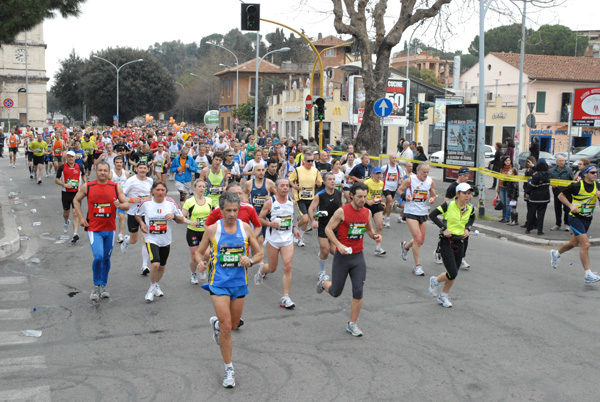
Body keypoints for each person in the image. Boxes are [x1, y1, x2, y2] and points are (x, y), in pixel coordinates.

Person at [196, 192, 264, 388]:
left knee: (233, 325)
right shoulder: (212, 230)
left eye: (235, 210)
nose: (233, 214)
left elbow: (259, 253)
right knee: (227, 328)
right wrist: (200, 263)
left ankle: (217, 324)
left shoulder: (245, 228)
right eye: (228, 211)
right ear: (221, 210)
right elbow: (200, 252)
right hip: (218, 283)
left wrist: (250, 260)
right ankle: (229, 369)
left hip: (239, 284)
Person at [316, 182, 381, 337]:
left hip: (358, 257)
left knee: (358, 290)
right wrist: (338, 244)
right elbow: (328, 229)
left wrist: (375, 236)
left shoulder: (367, 212)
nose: (362, 200)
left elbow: (369, 231)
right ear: (351, 195)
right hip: (342, 257)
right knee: (335, 292)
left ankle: (352, 324)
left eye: (365, 197)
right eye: (359, 196)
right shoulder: (342, 211)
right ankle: (324, 283)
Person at [72, 161, 130, 300]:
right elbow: (75, 200)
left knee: (106, 258)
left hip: (110, 229)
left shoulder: (116, 187)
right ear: (96, 171)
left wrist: (119, 204)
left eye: (105, 170)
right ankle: (96, 285)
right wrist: (81, 218)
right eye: (100, 170)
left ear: (109, 172)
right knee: (98, 257)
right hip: (94, 229)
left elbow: (127, 205)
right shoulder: (88, 186)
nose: (102, 173)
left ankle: (103, 285)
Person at [136, 182, 188, 302]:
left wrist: (173, 217)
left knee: (162, 266)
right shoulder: (146, 203)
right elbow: (137, 215)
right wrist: (142, 224)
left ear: (166, 192)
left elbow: (180, 219)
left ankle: (155, 285)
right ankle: (152, 287)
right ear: (152, 191)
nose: (160, 192)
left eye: (162, 190)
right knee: (155, 264)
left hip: (166, 239)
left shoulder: (170, 203)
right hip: (151, 238)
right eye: (158, 190)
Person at [254, 178, 301, 308]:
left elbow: (290, 219)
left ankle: (285, 297)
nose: (285, 188)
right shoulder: (270, 202)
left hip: (287, 239)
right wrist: (269, 223)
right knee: (272, 268)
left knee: (287, 266)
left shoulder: (292, 202)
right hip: (273, 240)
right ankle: (262, 271)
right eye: (282, 186)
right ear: (277, 188)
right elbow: (259, 218)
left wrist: (295, 228)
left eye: (287, 186)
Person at [428, 183, 475, 308]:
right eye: (465, 193)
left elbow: (472, 218)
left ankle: (443, 295)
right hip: (446, 241)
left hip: (460, 242)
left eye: (469, 193)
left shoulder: (470, 208)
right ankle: (435, 281)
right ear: (458, 194)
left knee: (454, 272)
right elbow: (432, 215)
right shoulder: (448, 205)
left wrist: (467, 229)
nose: (467, 196)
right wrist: (444, 228)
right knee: (452, 272)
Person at [550, 165, 600, 284]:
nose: (595, 174)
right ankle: (588, 274)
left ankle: (555, 254)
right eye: (592, 173)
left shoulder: (597, 186)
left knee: (573, 243)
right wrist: (571, 206)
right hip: (575, 218)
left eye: (596, 173)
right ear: (585, 175)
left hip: (587, 219)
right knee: (585, 244)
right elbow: (560, 196)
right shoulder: (576, 185)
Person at [397, 162, 437, 276]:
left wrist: (432, 199)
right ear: (418, 171)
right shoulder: (410, 180)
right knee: (417, 238)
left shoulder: (430, 181)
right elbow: (400, 190)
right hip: (411, 212)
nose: (425, 174)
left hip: (423, 212)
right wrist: (405, 196)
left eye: (427, 172)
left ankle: (405, 246)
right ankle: (417, 266)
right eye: (423, 172)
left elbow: (433, 194)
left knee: (420, 240)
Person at [434, 167, 471, 267]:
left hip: (461, 216)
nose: (466, 178)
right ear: (459, 175)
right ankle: (438, 251)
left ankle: (462, 257)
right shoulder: (453, 187)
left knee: (465, 236)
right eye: (464, 176)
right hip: (450, 216)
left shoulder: (467, 187)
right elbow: (446, 201)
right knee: (446, 235)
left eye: (468, 176)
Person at [308, 172, 343, 279]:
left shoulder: (339, 193)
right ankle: (322, 272)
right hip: (323, 225)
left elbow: (343, 207)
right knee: (325, 250)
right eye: (330, 179)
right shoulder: (320, 195)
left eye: (333, 179)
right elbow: (311, 208)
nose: (332, 181)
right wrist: (313, 220)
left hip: (335, 226)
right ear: (324, 182)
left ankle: (337, 270)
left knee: (334, 251)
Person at [121, 163, 154, 275]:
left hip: (146, 214)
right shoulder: (131, 180)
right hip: (133, 213)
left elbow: (152, 195)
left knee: (145, 238)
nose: (142, 170)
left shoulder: (150, 181)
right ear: (136, 169)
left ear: (147, 170)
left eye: (145, 168)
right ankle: (126, 240)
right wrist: (132, 200)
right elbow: (121, 195)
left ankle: (144, 265)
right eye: (140, 168)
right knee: (134, 240)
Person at [288, 149, 323, 247]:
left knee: (306, 220)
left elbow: (320, 182)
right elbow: (290, 180)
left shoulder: (315, 171)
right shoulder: (298, 170)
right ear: (304, 161)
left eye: (312, 161)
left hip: (311, 198)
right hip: (301, 198)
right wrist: (294, 187)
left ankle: (299, 237)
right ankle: (294, 229)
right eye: (309, 161)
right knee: (305, 219)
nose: (311, 163)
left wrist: (319, 183)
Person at [182, 179, 213, 285]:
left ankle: (203, 268)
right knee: (195, 256)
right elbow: (182, 217)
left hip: (206, 232)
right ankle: (193, 273)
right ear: (194, 188)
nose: (201, 189)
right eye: (199, 186)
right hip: (193, 232)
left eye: (203, 187)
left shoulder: (209, 200)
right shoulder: (189, 201)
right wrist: (190, 222)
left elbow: (213, 215)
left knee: (208, 254)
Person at [55, 151, 85, 243]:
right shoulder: (62, 167)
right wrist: (64, 184)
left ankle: (75, 233)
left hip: (77, 193)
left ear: (75, 158)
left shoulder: (79, 167)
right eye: (69, 157)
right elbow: (56, 179)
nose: (71, 158)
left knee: (75, 213)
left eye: (72, 157)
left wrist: (86, 184)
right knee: (66, 212)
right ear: (66, 158)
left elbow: (83, 176)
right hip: (66, 193)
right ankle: (66, 221)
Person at [243, 163, 276, 241]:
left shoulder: (269, 183)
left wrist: (271, 198)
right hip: (254, 212)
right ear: (254, 172)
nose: (261, 172)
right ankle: (256, 251)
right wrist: (245, 199)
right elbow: (244, 192)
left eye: (263, 170)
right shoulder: (249, 183)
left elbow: (278, 196)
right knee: (259, 237)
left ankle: (255, 248)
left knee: (262, 237)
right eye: (258, 170)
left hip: (265, 212)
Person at [364, 167, 386, 256]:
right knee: (366, 228)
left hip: (377, 205)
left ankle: (378, 247)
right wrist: (367, 201)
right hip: (367, 206)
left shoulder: (381, 183)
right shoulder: (367, 183)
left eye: (380, 174)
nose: (378, 175)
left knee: (380, 226)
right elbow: (360, 194)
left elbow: (378, 195)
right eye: (376, 173)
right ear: (372, 174)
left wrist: (381, 201)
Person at [525, 159, 551, 235]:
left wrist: (527, 192)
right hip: (545, 198)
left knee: (531, 214)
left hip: (534, 198)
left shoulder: (536, 175)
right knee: (541, 215)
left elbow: (532, 185)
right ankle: (540, 231)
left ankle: (528, 229)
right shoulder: (548, 174)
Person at [549, 155, 574, 232]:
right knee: (557, 209)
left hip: (566, 194)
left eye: (563, 161)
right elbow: (548, 180)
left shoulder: (569, 170)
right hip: (557, 193)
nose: (561, 162)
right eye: (560, 161)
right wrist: (551, 184)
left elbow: (573, 181)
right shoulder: (552, 170)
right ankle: (558, 224)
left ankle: (567, 224)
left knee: (567, 209)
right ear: (557, 162)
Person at [110, 156, 131, 242]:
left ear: (123, 163)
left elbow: (129, 185)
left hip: (122, 196)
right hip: (112, 196)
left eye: (120, 162)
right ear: (114, 163)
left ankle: (120, 234)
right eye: (117, 162)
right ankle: (111, 233)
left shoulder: (126, 173)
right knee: (111, 216)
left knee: (121, 215)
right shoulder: (110, 173)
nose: (119, 164)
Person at [381, 155, 403, 228]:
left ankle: (383, 216)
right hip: (386, 188)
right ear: (389, 159)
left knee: (388, 204)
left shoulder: (398, 168)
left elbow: (401, 178)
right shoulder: (385, 167)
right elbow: (379, 175)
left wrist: (402, 184)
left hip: (394, 188)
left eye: (395, 158)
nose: (394, 159)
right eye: (392, 158)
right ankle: (387, 220)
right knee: (390, 203)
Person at [496, 155, 513, 223]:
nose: (507, 162)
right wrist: (498, 188)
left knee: (507, 203)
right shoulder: (502, 169)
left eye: (509, 160)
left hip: (508, 188)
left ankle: (507, 217)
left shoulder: (512, 169)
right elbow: (499, 179)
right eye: (506, 161)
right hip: (502, 187)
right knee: (503, 203)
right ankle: (503, 217)